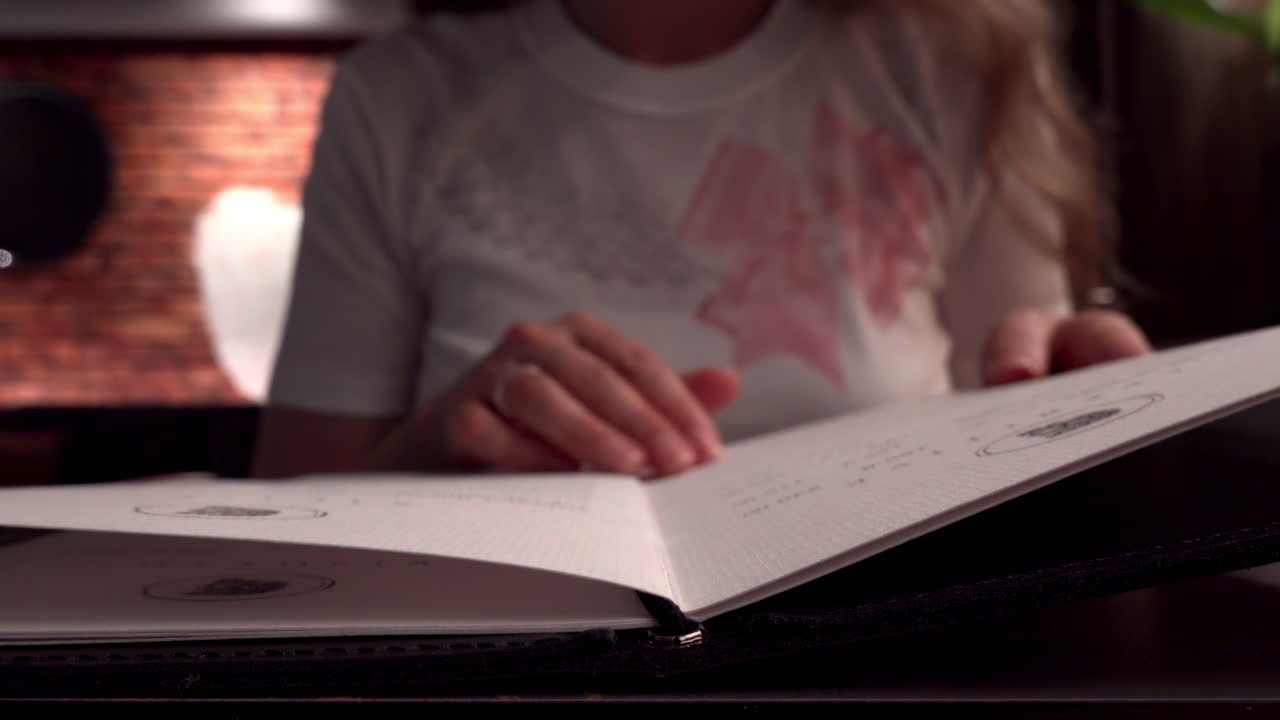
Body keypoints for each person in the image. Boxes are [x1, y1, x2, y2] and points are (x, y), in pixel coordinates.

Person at [252, 0, 1151, 480]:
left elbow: (1029, 420)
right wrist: (435, 443)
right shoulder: (397, 97)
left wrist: (1114, 417)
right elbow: (293, 529)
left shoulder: (959, 59)